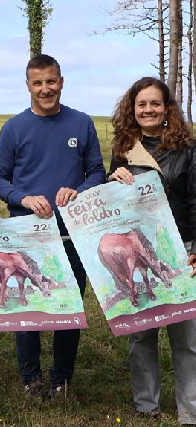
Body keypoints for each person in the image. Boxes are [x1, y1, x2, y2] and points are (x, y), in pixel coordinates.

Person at [0, 54, 106, 402]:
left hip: (71, 234)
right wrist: (23, 199)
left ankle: (61, 379)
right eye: (38, 83)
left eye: (51, 81)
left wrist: (79, 190)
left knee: (68, 307)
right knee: (26, 307)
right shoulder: (14, 128)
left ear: (61, 81)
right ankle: (31, 378)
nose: (46, 89)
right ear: (28, 87)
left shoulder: (82, 123)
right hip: (26, 233)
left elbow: (97, 171)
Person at [108, 76, 196, 425]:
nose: (148, 109)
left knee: (187, 337)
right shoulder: (123, 149)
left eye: (155, 104)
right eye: (141, 104)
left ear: (166, 109)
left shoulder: (188, 150)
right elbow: (109, 205)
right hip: (135, 248)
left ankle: (190, 411)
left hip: (180, 249)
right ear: (133, 109)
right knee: (141, 335)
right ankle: (147, 407)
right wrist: (113, 179)